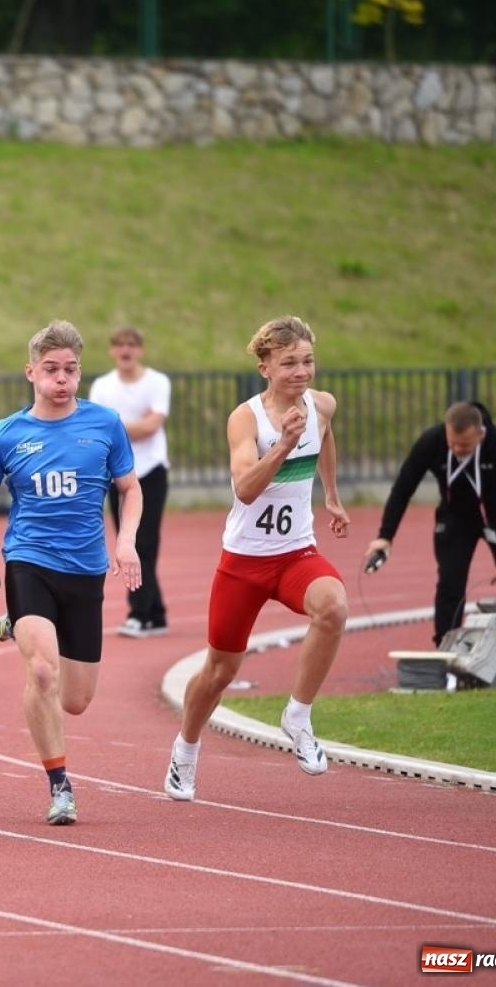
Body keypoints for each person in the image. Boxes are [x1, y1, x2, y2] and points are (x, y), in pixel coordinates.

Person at [165, 316, 350, 803]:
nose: (301, 371)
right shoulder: (245, 419)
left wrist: (330, 493)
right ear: (265, 366)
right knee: (220, 670)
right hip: (244, 561)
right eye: (289, 363)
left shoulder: (322, 405)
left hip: (295, 555)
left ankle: (299, 714)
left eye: (308, 361)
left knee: (333, 607)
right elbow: (246, 490)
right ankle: (185, 750)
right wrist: (285, 444)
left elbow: (325, 434)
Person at [0, 320, 142, 826]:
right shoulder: (6, 435)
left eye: (70, 370)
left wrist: (126, 541)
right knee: (42, 670)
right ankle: (60, 785)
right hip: (30, 561)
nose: (61, 379)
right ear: (31, 373)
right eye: (50, 370)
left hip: (86, 568)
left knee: (77, 700)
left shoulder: (105, 424)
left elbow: (130, 489)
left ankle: (14, 626)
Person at [365, 401, 496, 646]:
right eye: (452, 443)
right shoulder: (432, 441)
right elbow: (403, 488)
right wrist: (386, 535)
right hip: (456, 518)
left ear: (480, 434)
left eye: (465, 445)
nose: (457, 449)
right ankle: (445, 650)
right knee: (450, 585)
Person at [87, 325, 170, 638]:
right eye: (120, 344)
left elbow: (153, 425)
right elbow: (100, 429)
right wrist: (132, 426)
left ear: (140, 350)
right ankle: (155, 614)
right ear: (111, 350)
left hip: (150, 470)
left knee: (145, 542)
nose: (125, 350)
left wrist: (117, 426)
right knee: (126, 540)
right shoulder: (102, 387)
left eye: (132, 344)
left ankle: (140, 613)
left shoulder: (157, 382)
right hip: (116, 473)